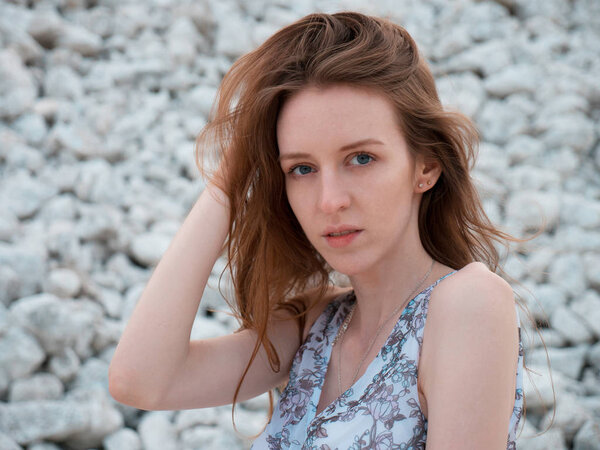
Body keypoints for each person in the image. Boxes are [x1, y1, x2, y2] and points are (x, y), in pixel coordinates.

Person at [109, 11, 528, 449]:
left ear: (425, 166)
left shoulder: (469, 303)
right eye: (302, 168)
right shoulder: (317, 325)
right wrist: (230, 181)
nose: (329, 200)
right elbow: (140, 382)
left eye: (361, 158)